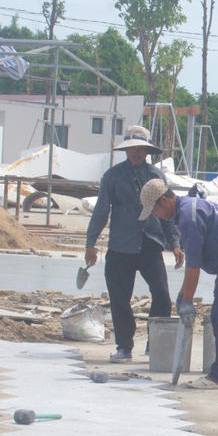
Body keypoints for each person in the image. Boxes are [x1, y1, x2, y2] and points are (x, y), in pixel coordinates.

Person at [139, 178, 218, 389]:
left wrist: (187, 300)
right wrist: (183, 294)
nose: (155, 216)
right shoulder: (187, 208)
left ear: (164, 201)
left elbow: (193, 266)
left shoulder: (189, 217)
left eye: (154, 210)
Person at [85, 125, 183, 363]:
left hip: (150, 243)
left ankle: (155, 342)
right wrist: (91, 243)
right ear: (126, 151)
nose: (137, 152)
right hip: (120, 245)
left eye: (141, 148)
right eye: (132, 149)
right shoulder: (113, 176)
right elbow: (101, 211)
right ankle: (124, 346)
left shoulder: (157, 176)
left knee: (161, 294)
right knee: (119, 298)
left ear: (147, 151)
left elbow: (170, 212)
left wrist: (175, 243)